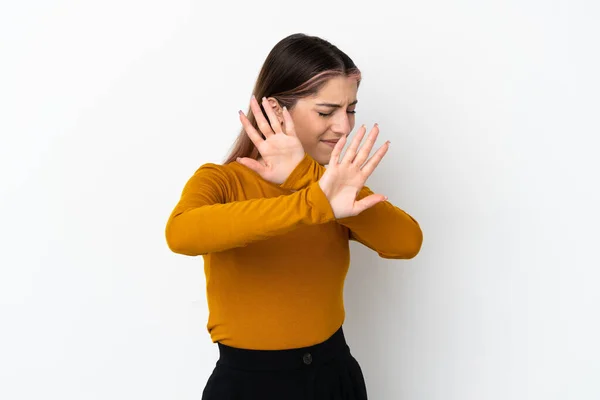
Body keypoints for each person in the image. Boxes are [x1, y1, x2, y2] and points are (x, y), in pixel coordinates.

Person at [165, 33, 423, 400]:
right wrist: (313, 203)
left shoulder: (331, 184)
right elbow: (182, 234)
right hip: (249, 386)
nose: (344, 127)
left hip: (334, 377)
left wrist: (307, 178)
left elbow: (406, 242)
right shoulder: (222, 180)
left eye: (350, 109)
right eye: (326, 111)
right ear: (274, 109)